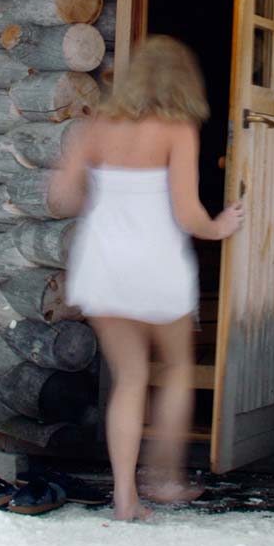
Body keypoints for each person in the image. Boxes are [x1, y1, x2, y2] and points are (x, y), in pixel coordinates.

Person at [50, 36, 244, 521]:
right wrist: (219, 227)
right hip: (156, 266)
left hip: (103, 266)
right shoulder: (178, 129)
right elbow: (187, 213)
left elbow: (62, 197)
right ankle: (163, 480)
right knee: (177, 369)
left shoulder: (96, 126)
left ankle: (124, 496)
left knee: (129, 378)